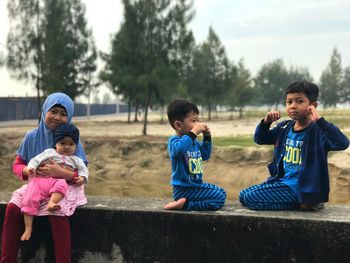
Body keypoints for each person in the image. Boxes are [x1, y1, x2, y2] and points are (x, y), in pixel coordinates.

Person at [1, 93, 88, 263]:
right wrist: (27, 170)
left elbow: (82, 172)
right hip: (37, 185)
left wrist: (61, 173)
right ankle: (6, 260)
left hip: (64, 186)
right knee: (12, 208)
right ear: (44, 111)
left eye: (63, 114)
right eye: (53, 111)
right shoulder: (31, 137)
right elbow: (17, 164)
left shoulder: (72, 140)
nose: (57, 117)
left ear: (69, 116)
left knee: (57, 211)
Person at [239, 80, 349, 211]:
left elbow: (342, 143)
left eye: (299, 101)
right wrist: (266, 122)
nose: (293, 106)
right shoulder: (285, 127)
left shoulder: (318, 131)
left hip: (301, 187)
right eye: (289, 102)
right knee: (243, 196)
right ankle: (300, 204)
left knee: (251, 198)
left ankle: (306, 201)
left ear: (313, 106)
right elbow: (260, 139)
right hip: (281, 182)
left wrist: (320, 121)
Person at [21, 123, 89, 241]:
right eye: (62, 143)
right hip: (40, 181)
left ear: (76, 146)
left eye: (71, 144)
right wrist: (30, 168)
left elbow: (84, 170)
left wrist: (82, 178)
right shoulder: (49, 152)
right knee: (29, 198)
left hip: (57, 181)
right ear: (56, 143)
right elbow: (35, 160)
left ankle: (52, 203)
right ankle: (28, 228)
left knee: (62, 185)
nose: (67, 147)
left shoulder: (76, 159)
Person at [164, 99, 226, 211]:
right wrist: (193, 133)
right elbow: (179, 150)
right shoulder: (174, 141)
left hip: (196, 186)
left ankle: (186, 202)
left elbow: (205, 155)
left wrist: (207, 137)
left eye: (198, 120)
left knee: (222, 192)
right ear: (178, 125)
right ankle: (186, 205)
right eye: (193, 121)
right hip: (183, 189)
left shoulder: (194, 142)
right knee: (218, 198)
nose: (198, 124)